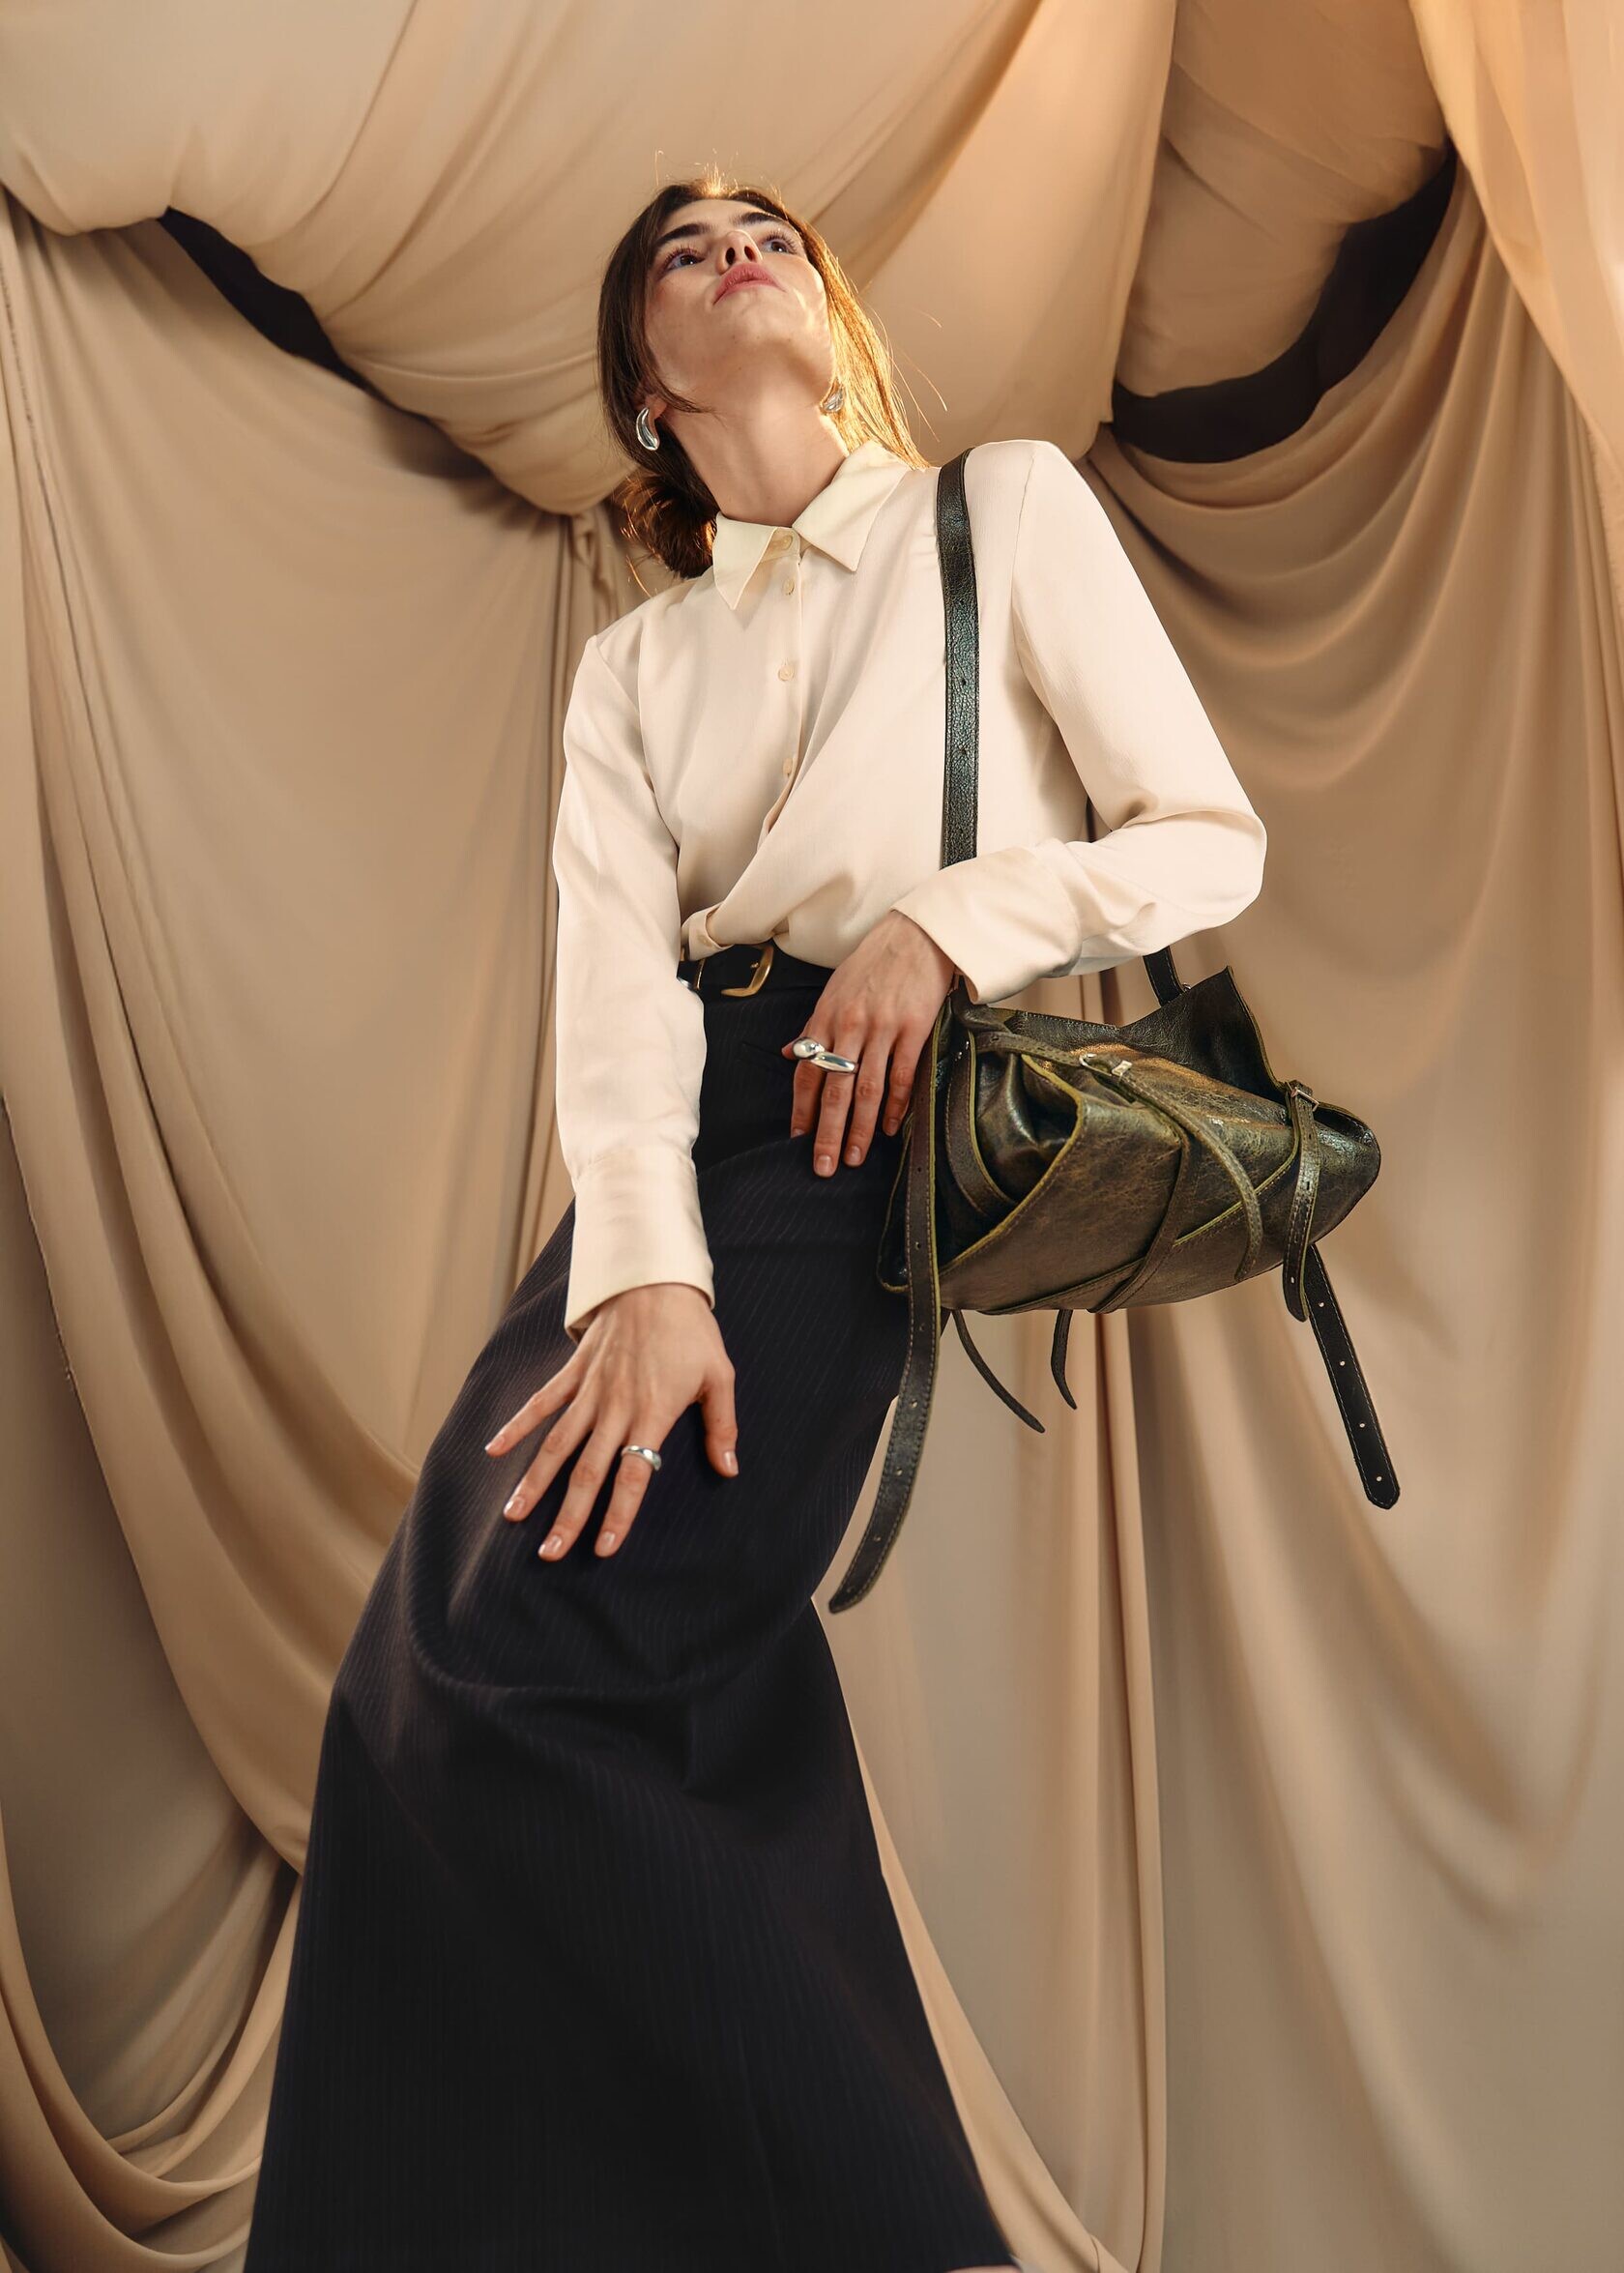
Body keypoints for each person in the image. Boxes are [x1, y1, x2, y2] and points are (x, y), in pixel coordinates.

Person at [244, 170, 1266, 2273]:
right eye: (682, 247)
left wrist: (949, 923)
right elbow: (613, 987)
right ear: (647, 379)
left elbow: (1205, 838)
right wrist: (642, 1269)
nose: (738, 245)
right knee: (436, 1686)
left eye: (771, 229)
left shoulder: (1000, 513)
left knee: (531, 1667)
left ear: (832, 313)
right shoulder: (635, 669)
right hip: (662, 1163)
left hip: (855, 1126)